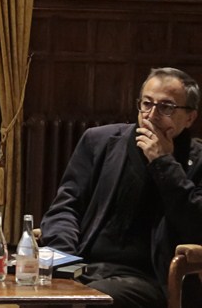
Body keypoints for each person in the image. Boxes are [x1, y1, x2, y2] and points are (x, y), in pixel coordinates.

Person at [40, 67, 202, 307]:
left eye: (166, 107)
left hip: (150, 277)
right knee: (33, 294)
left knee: (89, 300)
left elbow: (196, 224)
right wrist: (64, 261)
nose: (152, 115)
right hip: (84, 266)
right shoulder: (99, 141)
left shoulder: (197, 160)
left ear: (190, 117)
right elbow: (65, 208)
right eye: (147, 104)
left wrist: (164, 163)